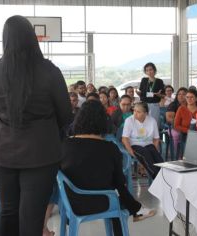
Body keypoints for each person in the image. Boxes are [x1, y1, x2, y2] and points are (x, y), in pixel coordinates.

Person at [0, 15, 72, 236]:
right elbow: (66, 115)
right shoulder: (50, 71)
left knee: (8, 210)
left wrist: (9, 124)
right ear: (33, 38)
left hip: (2, 152)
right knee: (32, 214)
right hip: (41, 154)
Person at [61, 100, 155, 236]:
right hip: (101, 202)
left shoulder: (64, 145)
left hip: (70, 202)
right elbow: (119, 181)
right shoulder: (109, 148)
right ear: (102, 121)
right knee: (117, 193)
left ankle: (136, 208)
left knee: (115, 192)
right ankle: (135, 209)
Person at [122, 102, 163, 179]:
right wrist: (131, 152)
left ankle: (164, 175)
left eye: (138, 112)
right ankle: (156, 177)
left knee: (157, 157)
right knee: (145, 153)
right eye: (134, 111)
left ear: (145, 113)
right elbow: (124, 139)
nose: (135, 113)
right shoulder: (129, 120)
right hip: (134, 145)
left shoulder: (152, 120)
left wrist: (154, 149)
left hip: (149, 144)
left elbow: (156, 138)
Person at [136, 62, 164, 127]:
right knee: (143, 123)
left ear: (154, 70)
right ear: (145, 72)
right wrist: (138, 93)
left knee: (154, 123)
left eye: (151, 69)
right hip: (144, 105)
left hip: (155, 105)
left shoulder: (159, 81)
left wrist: (158, 95)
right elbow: (142, 93)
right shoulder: (144, 80)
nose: (149, 72)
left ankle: (155, 136)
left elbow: (163, 95)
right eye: (147, 70)